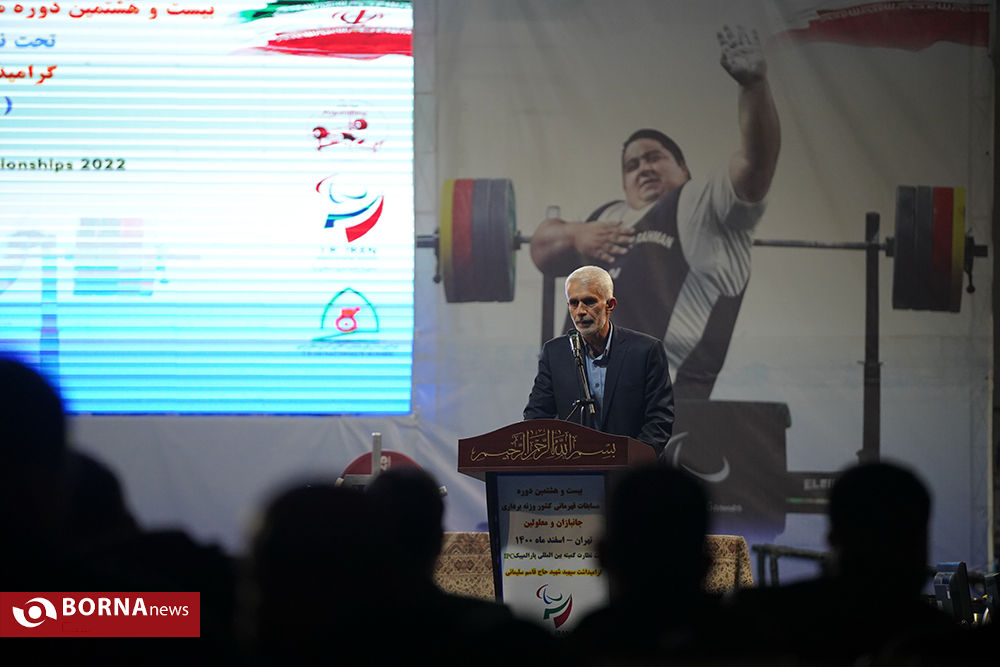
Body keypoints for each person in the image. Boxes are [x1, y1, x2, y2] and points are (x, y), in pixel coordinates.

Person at [529, 25, 781, 400]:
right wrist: (576, 234)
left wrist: (754, 87)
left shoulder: (701, 204)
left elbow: (756, 163)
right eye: (632, 165)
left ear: (684, 169)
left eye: (654, 158)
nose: (643, 168)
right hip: (579, 407)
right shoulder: (606, 215)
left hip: (658, 408)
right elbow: (541, 249)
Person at [523, 265, 674, 456]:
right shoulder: (555, 353)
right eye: (573, 303)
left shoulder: (646, 351)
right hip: (573, 468)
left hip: (632, 468)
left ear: (610, 304)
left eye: (589, 302)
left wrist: (632, 459)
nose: (580, 311)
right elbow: (536, 416)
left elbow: (660, 418)